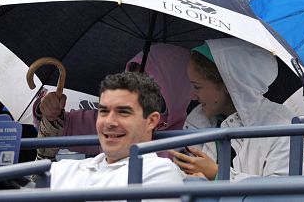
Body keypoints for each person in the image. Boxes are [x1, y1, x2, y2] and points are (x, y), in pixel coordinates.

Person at [168, 38, 304, 180]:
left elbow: (282, 192)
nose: (192, 95)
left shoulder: (281, 124)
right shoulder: (197, 119)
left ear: (227, 84)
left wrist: (218, 174)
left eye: (197, 86)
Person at [34, 44, 192, 159]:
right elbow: (63, 128)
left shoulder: (196, 140)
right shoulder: (110, 118)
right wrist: (49, 110)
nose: (110, 123)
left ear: (177, 86)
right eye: (132, 80)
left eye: (149, 82)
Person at [49, 72, 184, 194]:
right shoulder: (62, 169)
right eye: (104, 111)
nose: (109, 122)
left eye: (123, 112)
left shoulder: (160, 172)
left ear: (151, 121)